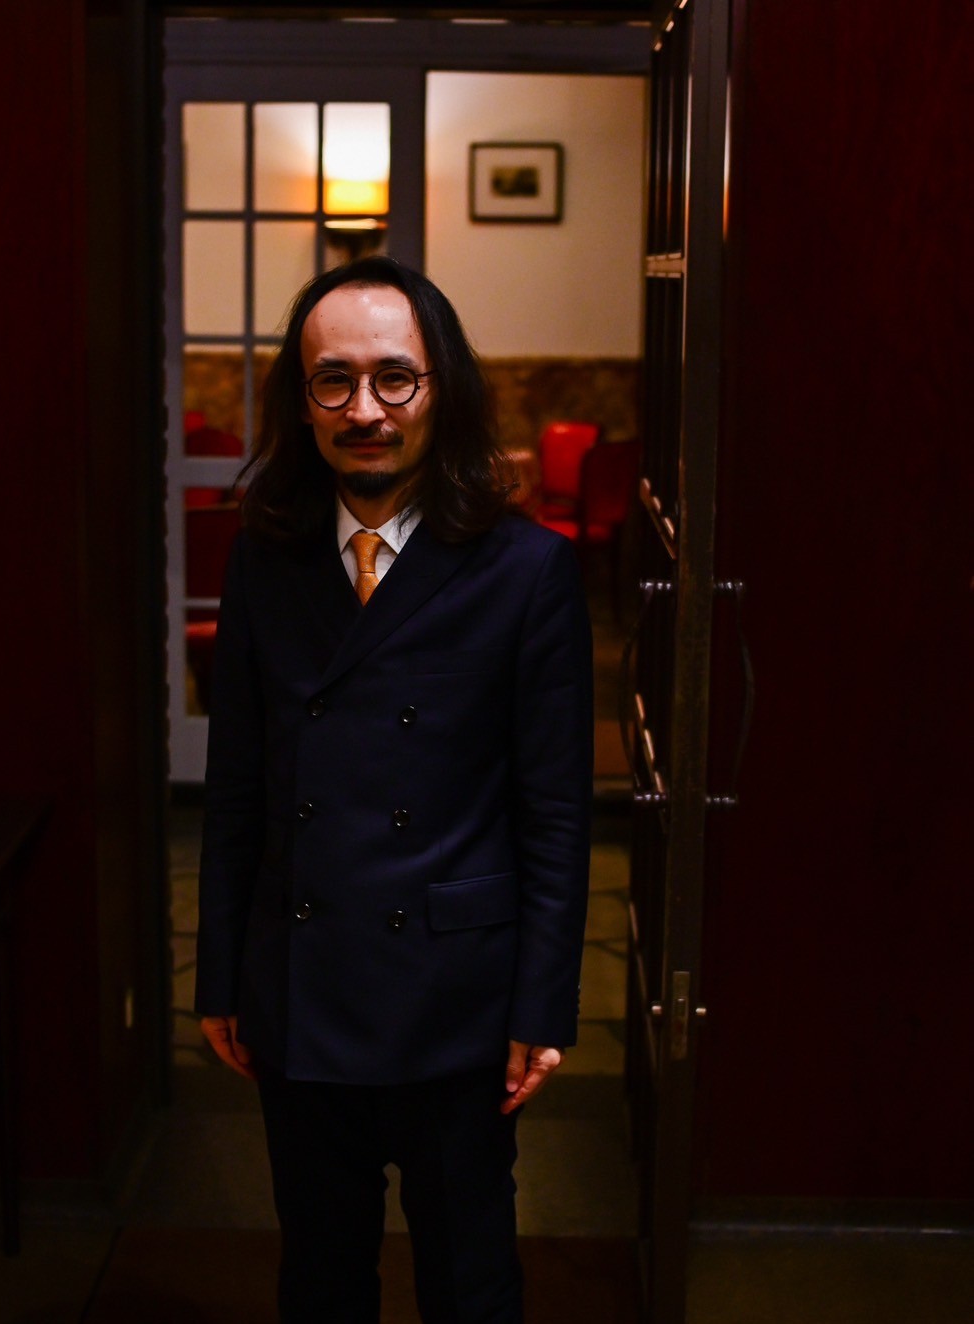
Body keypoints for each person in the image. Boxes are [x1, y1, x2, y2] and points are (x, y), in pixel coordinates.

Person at [195, 256, 593, 1323]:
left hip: (459, 1002)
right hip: (301, 988)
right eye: (333, 381)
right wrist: (220, 976)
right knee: (320, 1278)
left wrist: (543, 1004)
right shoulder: (264, 558)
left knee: (470, 1281)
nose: (363, 410)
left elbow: (555, 815)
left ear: (439, 389)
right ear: (302, 401)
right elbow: (236, 787)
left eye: (393, 378)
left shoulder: (527, 571)